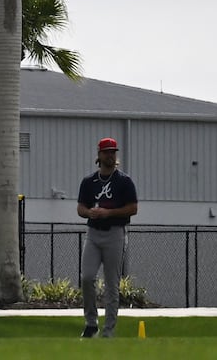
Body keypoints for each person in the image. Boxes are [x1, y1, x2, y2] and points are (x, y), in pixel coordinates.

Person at [77, 136, 138, 338]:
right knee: (86, 277)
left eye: (113, 152)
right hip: (93, 234)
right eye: (107, 152)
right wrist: (89, 213)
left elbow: (133, 208)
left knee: (112, 284)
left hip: (115, 234)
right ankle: (91, 323)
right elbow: (80, 208)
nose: (110, 155)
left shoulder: (124, 181)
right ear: (99, 155)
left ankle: (109, 331)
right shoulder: (89, 182)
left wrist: (108, 213)